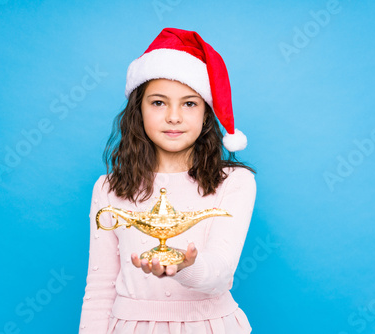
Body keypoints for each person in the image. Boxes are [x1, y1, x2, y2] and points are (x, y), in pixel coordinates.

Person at [79, 27, 257, 334]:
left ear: (206, 114)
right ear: (139, 110)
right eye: (158, 102)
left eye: (189, 103)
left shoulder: (234, 182)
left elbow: (220, 272)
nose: (173, 117)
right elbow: (99, 289)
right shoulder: (108, 189)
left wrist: (186, 266)